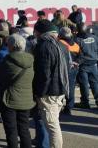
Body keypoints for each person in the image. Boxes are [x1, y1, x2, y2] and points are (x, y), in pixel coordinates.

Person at [0, 34, 35, 148]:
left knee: (11, 130)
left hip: (9, 100)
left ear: (10, 46)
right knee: (24, 129)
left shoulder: (7, 61)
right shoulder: (31, 61)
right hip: (27, 100)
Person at [33, 20, 69, 148]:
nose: (34, 34)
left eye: (35, 31)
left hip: (49, 93)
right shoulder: (62, 45)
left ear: (41, 32)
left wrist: (39, 93)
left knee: (53, 126)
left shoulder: (44, 46)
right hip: (61, 90)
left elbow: (44, 74)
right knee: (54, 124)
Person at [58, 27, 81, 115]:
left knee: (61, 87)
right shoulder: (76, 44)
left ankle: (59, 107)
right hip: (74, 68)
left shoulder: (60, 43)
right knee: (71, 88)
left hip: (64, 69)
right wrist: (77, 62)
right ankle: (69, 107)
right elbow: (81, 56)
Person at [75, 24, 98, 109]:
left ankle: (85, 102)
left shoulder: (78, 39)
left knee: (84, 84)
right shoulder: (95, 38)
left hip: (83, 65)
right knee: (95, 83)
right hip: (94, 64)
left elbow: (76, 53)